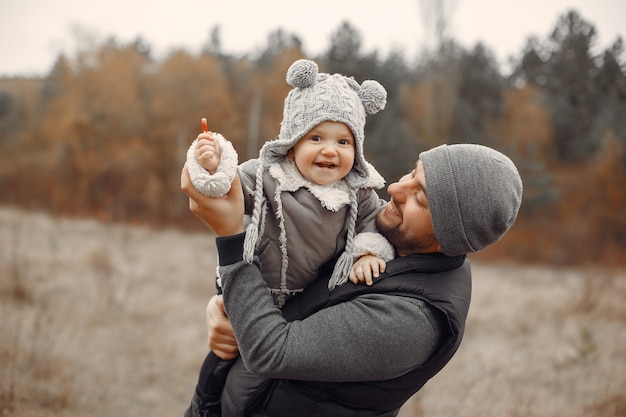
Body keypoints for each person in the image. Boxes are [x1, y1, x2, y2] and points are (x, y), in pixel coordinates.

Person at [181, 142, 523, 417]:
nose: (396, 188)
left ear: (447, 239)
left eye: (421, 198)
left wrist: (230, 238)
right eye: (412, 174)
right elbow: (288, 270)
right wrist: (224, 305)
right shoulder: (390, 235)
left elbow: (272, 352)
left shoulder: (412, 321)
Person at [184, 59, 394, 415]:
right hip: (253, 289)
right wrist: (212, 164)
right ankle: (201, 408)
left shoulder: (357, 194)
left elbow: (373, 223)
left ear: (356, 149)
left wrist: (368, 252)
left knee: (261, 371)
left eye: (343, 141)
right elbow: (228, 187)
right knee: (223, 356)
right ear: (292, 143)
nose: (330, 150)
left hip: (303, 306)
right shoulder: (269, 176)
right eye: (316, 137)